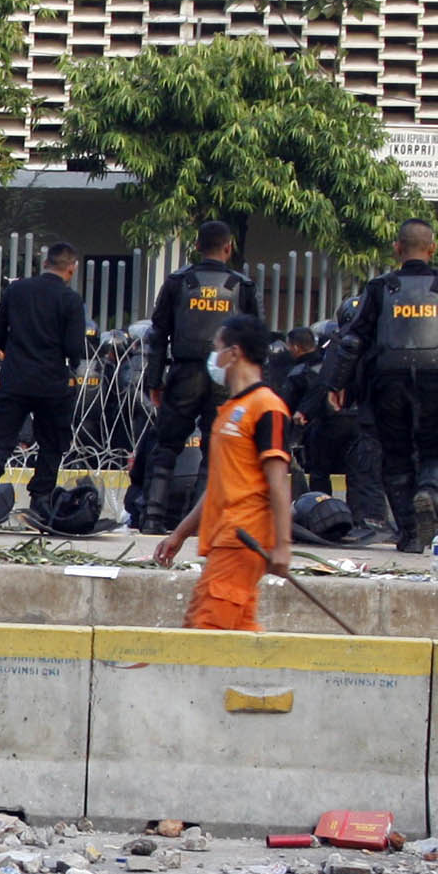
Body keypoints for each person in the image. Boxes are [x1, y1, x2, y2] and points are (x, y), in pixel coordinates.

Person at [336, 219, 438, 548]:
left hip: (387, 386)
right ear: (433, 248)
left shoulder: (379, 287)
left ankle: (409, 534)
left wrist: (337, 385)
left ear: (397, 249)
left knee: (396, 457)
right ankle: (430, 490)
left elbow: (352, 341)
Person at [156, 318, 294, 630]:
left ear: (234, 353)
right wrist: (180, 533)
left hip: (244, 538)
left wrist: (283, 546)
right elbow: (220, 485)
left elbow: (278, 482)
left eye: (216, 349)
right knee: (234, 633)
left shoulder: (267, 407)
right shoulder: (230, 410)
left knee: (205, 630)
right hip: (224, 537)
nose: (213, 358)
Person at [131, 221, 260, 529]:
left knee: (166, 446)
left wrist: (154, 381)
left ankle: (152, 518)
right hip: (223, 378)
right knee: (215, 449)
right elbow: (257, 340)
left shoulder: (178, 282)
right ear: (229, 247)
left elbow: (158, 334)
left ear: (197, 246)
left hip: (183, 373)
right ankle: (202, 522)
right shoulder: (241, 285)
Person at [0, 241, 93, 512]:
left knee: (1, 432)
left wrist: (15, 352)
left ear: (46, 263)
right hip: (51, 381)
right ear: (71, 269)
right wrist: (68, 363)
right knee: (51, 439)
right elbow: (74, 347)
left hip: (15, 376)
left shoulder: (17, 290)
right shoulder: (70, 299)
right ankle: (41, 496)